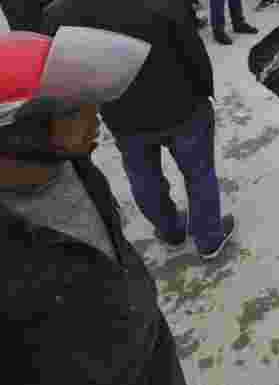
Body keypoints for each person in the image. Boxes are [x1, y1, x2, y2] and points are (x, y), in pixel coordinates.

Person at [0, 26, 188, 384]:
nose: (95, 119)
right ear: (18, 133)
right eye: (73, 111)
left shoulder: (76, 167)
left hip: (150, 349)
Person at [42, 0, 236, 262]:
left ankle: (171, 230)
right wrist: (205, 91)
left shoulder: (57, 11)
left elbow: (65, 74)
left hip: (122, 113)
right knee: (199, 173)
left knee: (144, 177)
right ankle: (209, 237)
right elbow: (194, 54)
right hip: (182, 106)